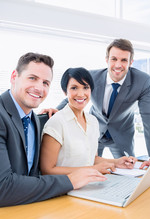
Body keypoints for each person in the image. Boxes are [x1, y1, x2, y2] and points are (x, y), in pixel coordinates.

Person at [0, 52, 108, 207]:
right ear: (13, 77)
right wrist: (70, 180)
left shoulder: (35, 120)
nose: (39, 87)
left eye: (45, 83)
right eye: (32, 78)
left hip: (29, 206)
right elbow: (3, 187)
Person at [54, 39, 150, 161]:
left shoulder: (142, 81)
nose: (118, 65)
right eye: (114, 59)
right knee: (87, 164)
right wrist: (56, 110)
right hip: (94, 131)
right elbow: (75, 96)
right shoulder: (92, 77)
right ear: (107, 60)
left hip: (122, 133)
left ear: (131, 62)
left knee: (129, 168)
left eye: (124, 60)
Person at [40, 67, 136, 176]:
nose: (81, 94)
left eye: (85, 87)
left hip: (91, 183)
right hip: (67, 187)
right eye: (74, 88)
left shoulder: (92, 121)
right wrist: (92, 169)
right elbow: (47, 170)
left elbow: (91, 159)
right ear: (64, 91)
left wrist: (116, 162)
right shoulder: (56, 122)